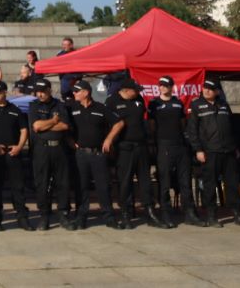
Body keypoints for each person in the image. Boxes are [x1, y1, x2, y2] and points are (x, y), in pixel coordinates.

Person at [186, 80, 240, 227]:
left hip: (228, 151)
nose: (207, 91)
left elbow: (233, 127)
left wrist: (235, 147)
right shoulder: (196, 105)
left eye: (211, 89)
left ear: (217, 91)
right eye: (205, 88)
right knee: (210, 185)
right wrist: (198, 150)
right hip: (210, 151)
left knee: (233, 184)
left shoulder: (223, 105)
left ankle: (238, 215)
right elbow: (192, 131)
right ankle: (211, 215)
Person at [147, 76, 205, 228]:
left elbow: (183, 123)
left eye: (166, 85)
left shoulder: (178, 102)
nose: (163, 88)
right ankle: (166, 213)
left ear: (172, 87)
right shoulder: (154, 103)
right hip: (164, 146)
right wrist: (155, 144)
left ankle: (190, 213)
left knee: (185, 182)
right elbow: (151, 125)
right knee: (165, 181)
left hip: (180, 146)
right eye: (161, 85)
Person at [67, 80, 123, 230]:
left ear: (86, 92)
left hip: (98, 154)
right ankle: (81, 217)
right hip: (81, 154)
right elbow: (64, 125)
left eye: (77, 91)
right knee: (81, 186)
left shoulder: (100, 108)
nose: (74, 93)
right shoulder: (71, 108)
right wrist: (70, 141)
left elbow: (118, 123)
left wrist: (109, 139)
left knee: (103, 186)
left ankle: (109, 217)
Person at [106, 79, 160, 229]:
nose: (138, 92)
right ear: (125, 90)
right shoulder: (112, 102)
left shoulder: (139, 99)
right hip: (124, 147)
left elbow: (146, 120)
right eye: (135, 90)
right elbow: (108, 124)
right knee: (125, 182)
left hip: (141, 146)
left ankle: (150, 212)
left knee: (145, 181)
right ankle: (126, 214)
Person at [0, 81, 31, 231]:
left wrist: (19, 147)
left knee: (18, 187)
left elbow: (24, 130)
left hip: (13, 153)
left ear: (5, 92)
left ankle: (22, 218)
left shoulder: (15, 110)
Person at [28, 78, 74, 231]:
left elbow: (65, 125)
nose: (40, 94)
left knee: (63, 183)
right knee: (42, 183)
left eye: (42, 91)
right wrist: (54, 121)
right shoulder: (34, 106)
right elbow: (36, 126)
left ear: (49, 90)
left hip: (59, 150)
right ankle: (44, 216)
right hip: (42, 150)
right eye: (38, 92)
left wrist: (47, 124)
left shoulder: (59, 105)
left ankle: (63, 214)